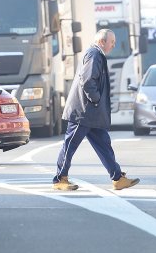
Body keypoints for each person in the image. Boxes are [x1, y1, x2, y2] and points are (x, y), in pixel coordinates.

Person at [53, 28, 140, 191]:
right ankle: (59, 179)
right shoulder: (94, 54)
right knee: (70, 145)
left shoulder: (96, 54)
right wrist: (96, 99)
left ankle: (117, 178)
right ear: (102, 41)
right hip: (83, 112)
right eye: (112, 42)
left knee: (104, 145)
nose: (113, 45)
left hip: (91, 113)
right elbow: (87, 81)